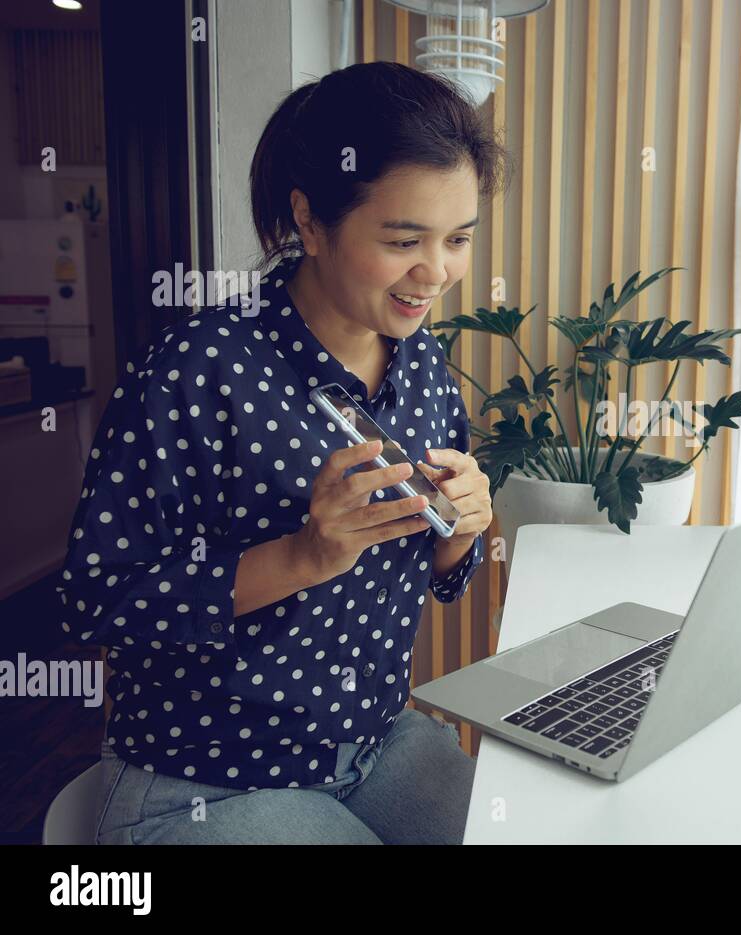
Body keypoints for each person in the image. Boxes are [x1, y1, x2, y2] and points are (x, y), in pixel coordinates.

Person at [57, 61, 511, 843]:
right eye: (404, 239)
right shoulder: (194, 371)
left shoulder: (422, 359)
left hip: (373, 743)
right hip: (204, 777)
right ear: (308, 221)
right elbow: (94, 599)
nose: (436, 272)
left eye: (458, 239)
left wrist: (462, 527)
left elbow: (442, 570)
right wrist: (300, 555)